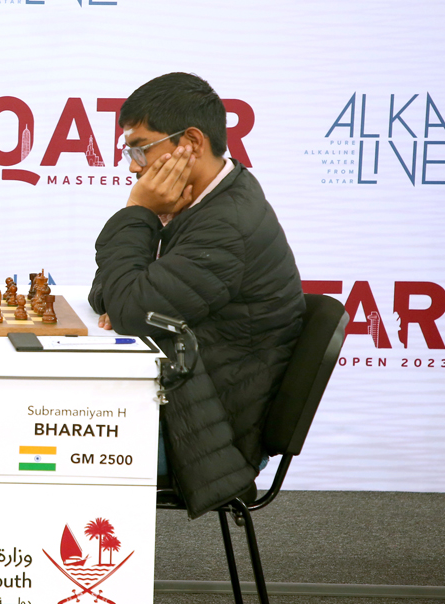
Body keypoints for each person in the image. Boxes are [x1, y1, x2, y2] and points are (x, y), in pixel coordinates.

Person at [89, 73, 305, 519]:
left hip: (209, 440)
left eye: (140, 147)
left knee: (40, 440)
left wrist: (139, 212)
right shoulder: (209, 200)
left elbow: (128, 308)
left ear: (190, 140)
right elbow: (109, 291)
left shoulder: (227, 223)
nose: (133, 166)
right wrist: (144, 240)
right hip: (194, 410)